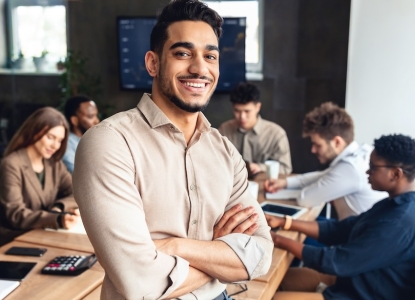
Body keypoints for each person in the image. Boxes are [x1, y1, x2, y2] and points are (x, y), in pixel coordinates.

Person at [73, 1, 273, 299]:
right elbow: (140, 283)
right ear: (153, 63)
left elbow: (261, 255)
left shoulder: (225, 152)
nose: (199, 68)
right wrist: (219, 255)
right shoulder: (109, 143)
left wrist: (173, 247)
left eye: (210, 56)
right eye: (182, 53)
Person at [267, 134, 415, 300]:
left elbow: (337, 262)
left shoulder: (400, 222)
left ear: (395, 174)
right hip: (352, 280)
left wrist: (278, 240)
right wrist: (285, 222)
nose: (367, 171)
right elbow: (342, 229)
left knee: (275, 297)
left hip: (360, 294)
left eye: (373, 167)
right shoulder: (391, 204)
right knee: (275, 279)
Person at [265, 102, 386, 220]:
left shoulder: (350, 168)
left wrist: (296, 190)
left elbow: (305, 199)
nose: (313, 150)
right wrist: (285, 183)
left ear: (337, 142)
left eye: (318, 145)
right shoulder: (360, 153)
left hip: (353, 237)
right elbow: (325, 175)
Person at [0, 107, 81, 247]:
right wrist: (56, 218)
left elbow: (77, 192)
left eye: (59, 140)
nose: (55, 145)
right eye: (50, 137)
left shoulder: (53, 163)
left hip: (45, 235)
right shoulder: (12, 164)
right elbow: (16, 215)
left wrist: (59, 207)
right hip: (14, 240)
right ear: (34, 131)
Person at [219, 81, 292, 176]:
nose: (242, 117)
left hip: (264, 187)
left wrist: (260, 167)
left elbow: (285, 168)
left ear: (258, 107)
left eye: (247, 111)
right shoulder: (224, 130)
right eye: (237, 111)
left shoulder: (276, 134)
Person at [62, 95, 100, 173]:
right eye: (90, 116)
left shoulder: (94, 140)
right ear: (74, 120)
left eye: (96, 115)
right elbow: (81, 174)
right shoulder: (67, 145)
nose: (97, 121)